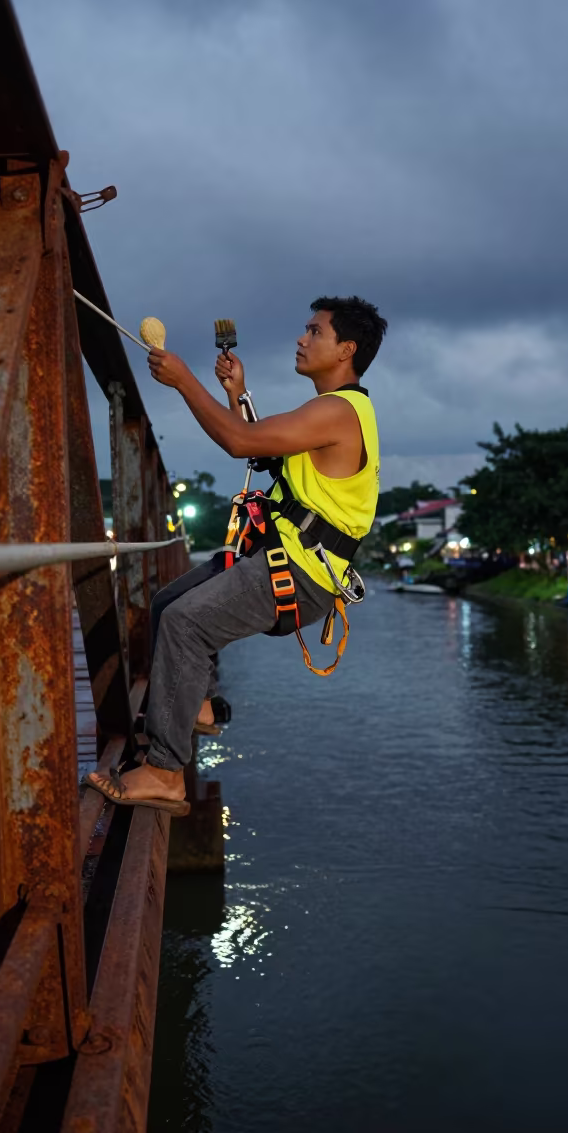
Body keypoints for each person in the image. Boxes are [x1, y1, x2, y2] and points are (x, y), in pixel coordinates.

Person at [86, 296, 386, 814]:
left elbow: (239, 443)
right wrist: (236, 393)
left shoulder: (337, 411)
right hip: (285, 557)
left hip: (302, 573)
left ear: (347, 350)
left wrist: (184, 380)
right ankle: (199, 706)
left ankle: (164, 771)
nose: (302, 338)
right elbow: (262, 446)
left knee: (184, 623)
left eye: (315, 331)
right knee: (168, 603)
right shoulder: (338, 409)